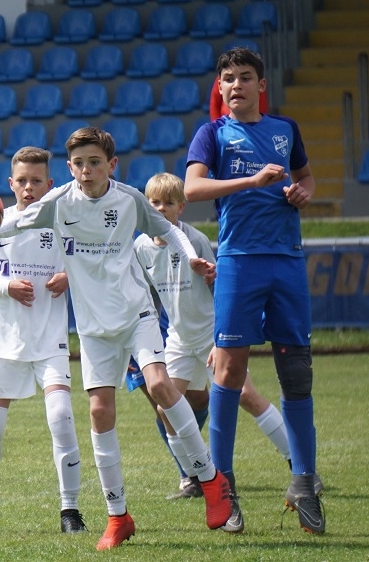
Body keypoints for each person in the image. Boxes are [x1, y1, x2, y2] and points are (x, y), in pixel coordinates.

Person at [0, 126, 232, 551]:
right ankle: (118, 516)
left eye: (95, 162)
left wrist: (192, 255)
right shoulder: (58, 201)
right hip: (93, 328)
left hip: (136, 313)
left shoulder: (129, 199)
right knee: (100, 412)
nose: (86, 171)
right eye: (79, 164)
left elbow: (169, 229)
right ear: (70, 168)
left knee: (159, 385)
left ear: (112, 165)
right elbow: (11, 224)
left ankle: (211, 480)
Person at [185, 47, 324, 535]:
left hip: (286, 261)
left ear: (261, 85)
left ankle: (303, 482)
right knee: (229, 370)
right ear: (220, 88)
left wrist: (302, 192)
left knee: (296, 371)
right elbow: (192, 189)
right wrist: (252, 179)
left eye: (246, 77)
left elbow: (306, 177)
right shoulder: (212, 134)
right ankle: (223, 486)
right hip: (239, 263)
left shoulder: (285, 130)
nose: (237, 85)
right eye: (229, 78)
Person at [133, 172, 319, 532]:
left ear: (181, 207)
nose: (160, 208)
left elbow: (221, 288)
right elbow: (147, 295)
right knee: (165, 408)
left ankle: (300, 467)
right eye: (154, 203)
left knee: (246, 396)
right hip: (178, 338)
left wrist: (221, 340)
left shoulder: (194, 240)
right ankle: (196, 478)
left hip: (211, 334)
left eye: (168, 203)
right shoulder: (141, 247)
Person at [0, 146, 87, 535]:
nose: (29, 188)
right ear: (10, 184)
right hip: (4, 343)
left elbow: (88, 262)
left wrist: (70, 276)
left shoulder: (63, 222)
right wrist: (6, 287)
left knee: (61, 418)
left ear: (49, 184)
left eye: (36, 181)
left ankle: (70, 510)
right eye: (22, 181)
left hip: (50, 341)